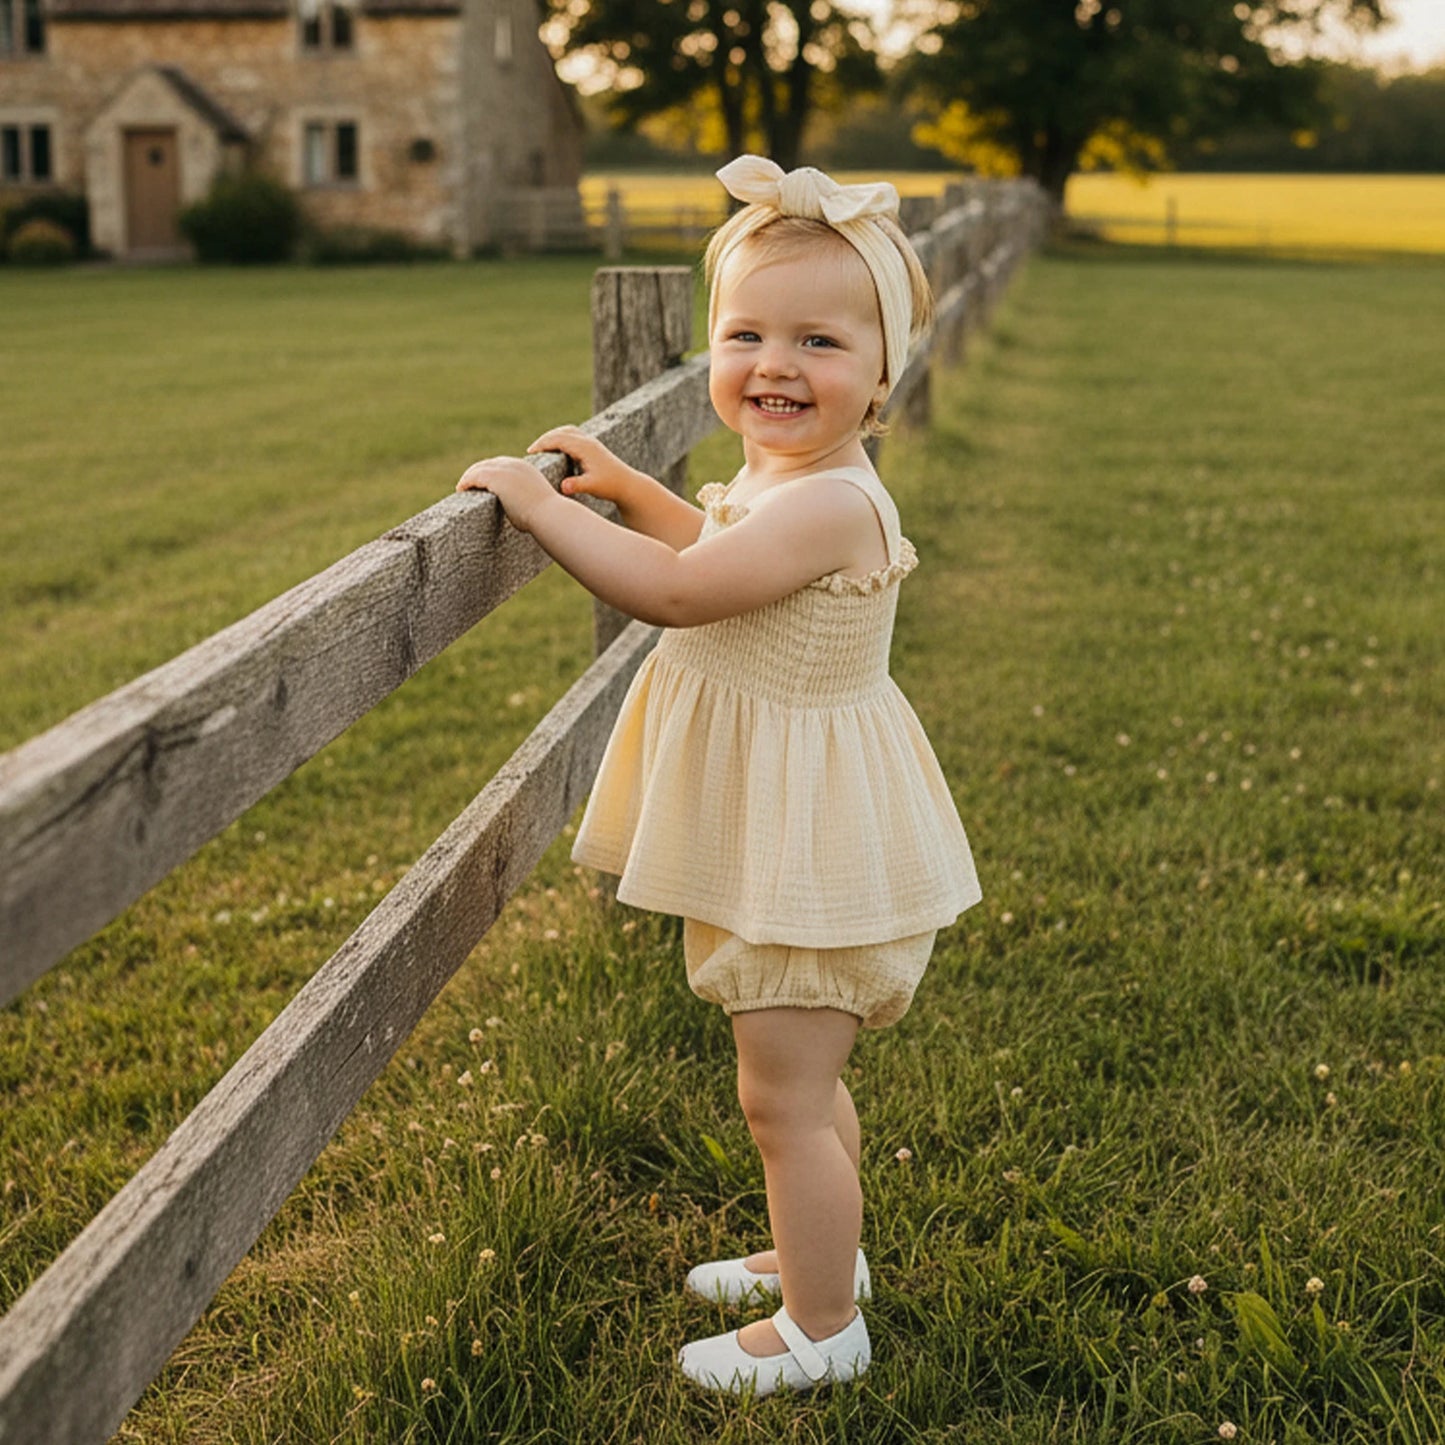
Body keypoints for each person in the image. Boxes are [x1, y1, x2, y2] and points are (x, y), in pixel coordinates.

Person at [456, 154, 981, 1397]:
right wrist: (632, 487)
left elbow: (683, 592)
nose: (775, 364)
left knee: (781, 1096)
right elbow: (714, 544)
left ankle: (819, 1327)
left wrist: (541, 508)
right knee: (802, 1085)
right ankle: (824, 1264)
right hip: (790, 825)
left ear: (880, 374)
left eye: (819, 340)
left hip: (809, 844)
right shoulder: (781, 483)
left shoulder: (832, 502)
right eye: (744, 333)